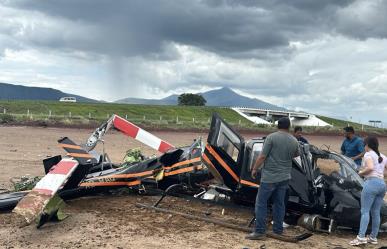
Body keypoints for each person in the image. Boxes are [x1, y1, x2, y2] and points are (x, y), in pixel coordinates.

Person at [246, 117, 299, 240]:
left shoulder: (271, 137)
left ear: (277, 126)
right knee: (279, 204)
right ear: (289, 127)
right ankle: (278, 231)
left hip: (270, 177)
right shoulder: (294, 140)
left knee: (261, 203)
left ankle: (259, 232)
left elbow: (262, 156)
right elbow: (296, 154)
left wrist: (254, 169)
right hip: (285, 177)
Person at [349, 136, 387, 246]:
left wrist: (360, 173)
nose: (364, 147)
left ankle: (360, 238)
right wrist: (380, 175)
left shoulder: (368, 154)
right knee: (375, 212)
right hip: (382, 184)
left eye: (364, 145)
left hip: (371, 183)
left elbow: (370, 167)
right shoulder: (383, 157)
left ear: (367, 145)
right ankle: (373, 238)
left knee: (365, 211)